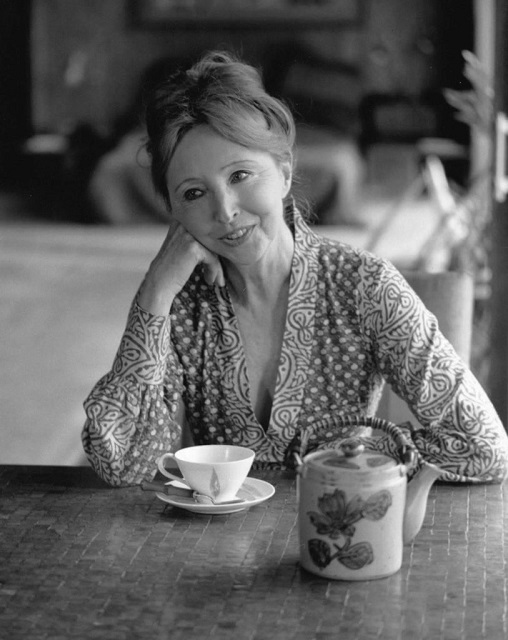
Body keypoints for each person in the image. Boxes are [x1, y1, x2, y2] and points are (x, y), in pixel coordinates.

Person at [82, 50, 508, 487]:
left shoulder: (364, 285)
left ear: (284, 172)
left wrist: (355, 463)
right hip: (220, 532)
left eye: (240, 175)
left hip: (343, 523)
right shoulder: (179, 305)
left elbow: (483, 446)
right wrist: (155, 291)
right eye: (194, 193)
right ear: (173, 211)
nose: (225, 212)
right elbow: (124, 464)